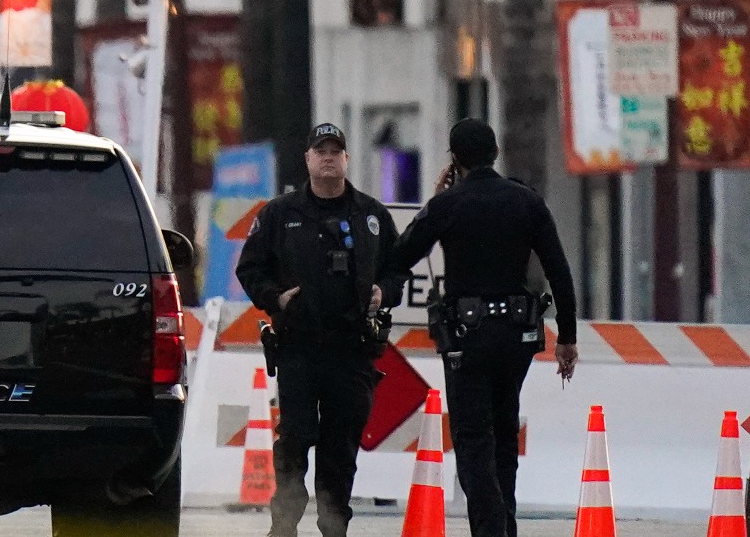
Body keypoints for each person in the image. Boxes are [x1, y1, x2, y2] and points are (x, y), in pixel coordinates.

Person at [388, 119, 578, 537]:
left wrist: (437, 203)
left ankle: (491, 531)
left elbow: (401, 256)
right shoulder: (527, 202)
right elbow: (559, 271)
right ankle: (503, 527)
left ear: (455, 158)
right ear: (494, 153)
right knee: (504, 432)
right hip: (517, 335)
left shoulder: (448, 205)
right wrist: (567, 336)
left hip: (467, 339)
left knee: (474, 439)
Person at [236, 124, 408, 537]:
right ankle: (284, 527)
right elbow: (249, 268)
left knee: (340, 446)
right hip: (298, 347)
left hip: (352, 349)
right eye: (321, 150)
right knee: (294, 440)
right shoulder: (280, 214)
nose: (328, 157)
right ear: (308, 159)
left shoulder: (371, 215)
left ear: (347, 159)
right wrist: (276, 298)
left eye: (336, 150)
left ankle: (334, 526)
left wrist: (384, 291)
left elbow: (398, 267)